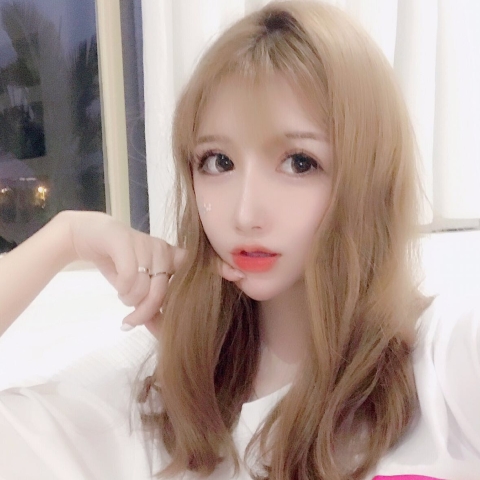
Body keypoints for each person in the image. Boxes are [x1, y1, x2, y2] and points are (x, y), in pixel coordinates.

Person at [0, 1, 479, 479]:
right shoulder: (160, 401)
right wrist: (65, 237)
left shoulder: (442, 365)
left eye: (299, 162)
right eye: (218, 162)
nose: (245, 214)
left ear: (370, 176)